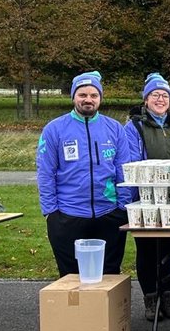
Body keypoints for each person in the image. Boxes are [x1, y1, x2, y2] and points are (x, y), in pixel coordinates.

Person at [36, 70, 128, 277]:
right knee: (71, 277)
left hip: (109, 214)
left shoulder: (115, 129)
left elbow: (123, 169)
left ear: (100, 98)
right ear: (73, 97)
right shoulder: (54, 129)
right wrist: (51, 211)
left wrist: (122, 207)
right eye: (82, 95)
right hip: (68, 214)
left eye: (94, 95)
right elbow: (46, 172)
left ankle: (106, 302)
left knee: (109, 275)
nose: (88, 100)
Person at [122, 73, 170, 322]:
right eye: (155, 95)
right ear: (146, 99)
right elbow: (132, 162)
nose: (160, 99)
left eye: (164, 95)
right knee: (146, 250)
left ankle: (168, 295)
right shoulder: (134, 127)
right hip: (144, 199)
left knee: (168, 249)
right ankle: (150, 297)